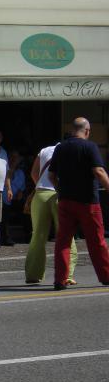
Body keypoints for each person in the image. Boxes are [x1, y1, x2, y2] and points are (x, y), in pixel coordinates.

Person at [49, 117, 109, 290]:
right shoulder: (90, 147)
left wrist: (60, 189)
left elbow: (51, 176)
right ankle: (106, 276)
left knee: (63, 241)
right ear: (87, 131)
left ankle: (60, 280)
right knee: (96, 241)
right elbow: (98, 171)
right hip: (88, 202)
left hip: (66, 201)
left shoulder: (60, 148)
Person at [24, 141, 77, 285]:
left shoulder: (44, 150)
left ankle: (33, 275)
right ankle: (67, 274)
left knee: (38, 236)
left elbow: (34, 173)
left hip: (40, 195)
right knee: (66, 235)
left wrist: (41, 186)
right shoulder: (70, 151)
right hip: (59, 194)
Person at [1, 150, 26, 246]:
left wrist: (19, 194)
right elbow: (8, 178)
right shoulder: (5, 171)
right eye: (12, 157)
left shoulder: (20, 173)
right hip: (4, 199)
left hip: (14, 199)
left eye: (16, 157)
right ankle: (6, 237)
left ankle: (27, 234)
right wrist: (12, 166)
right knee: (5, 211)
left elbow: (21, 190)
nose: (14, 159)